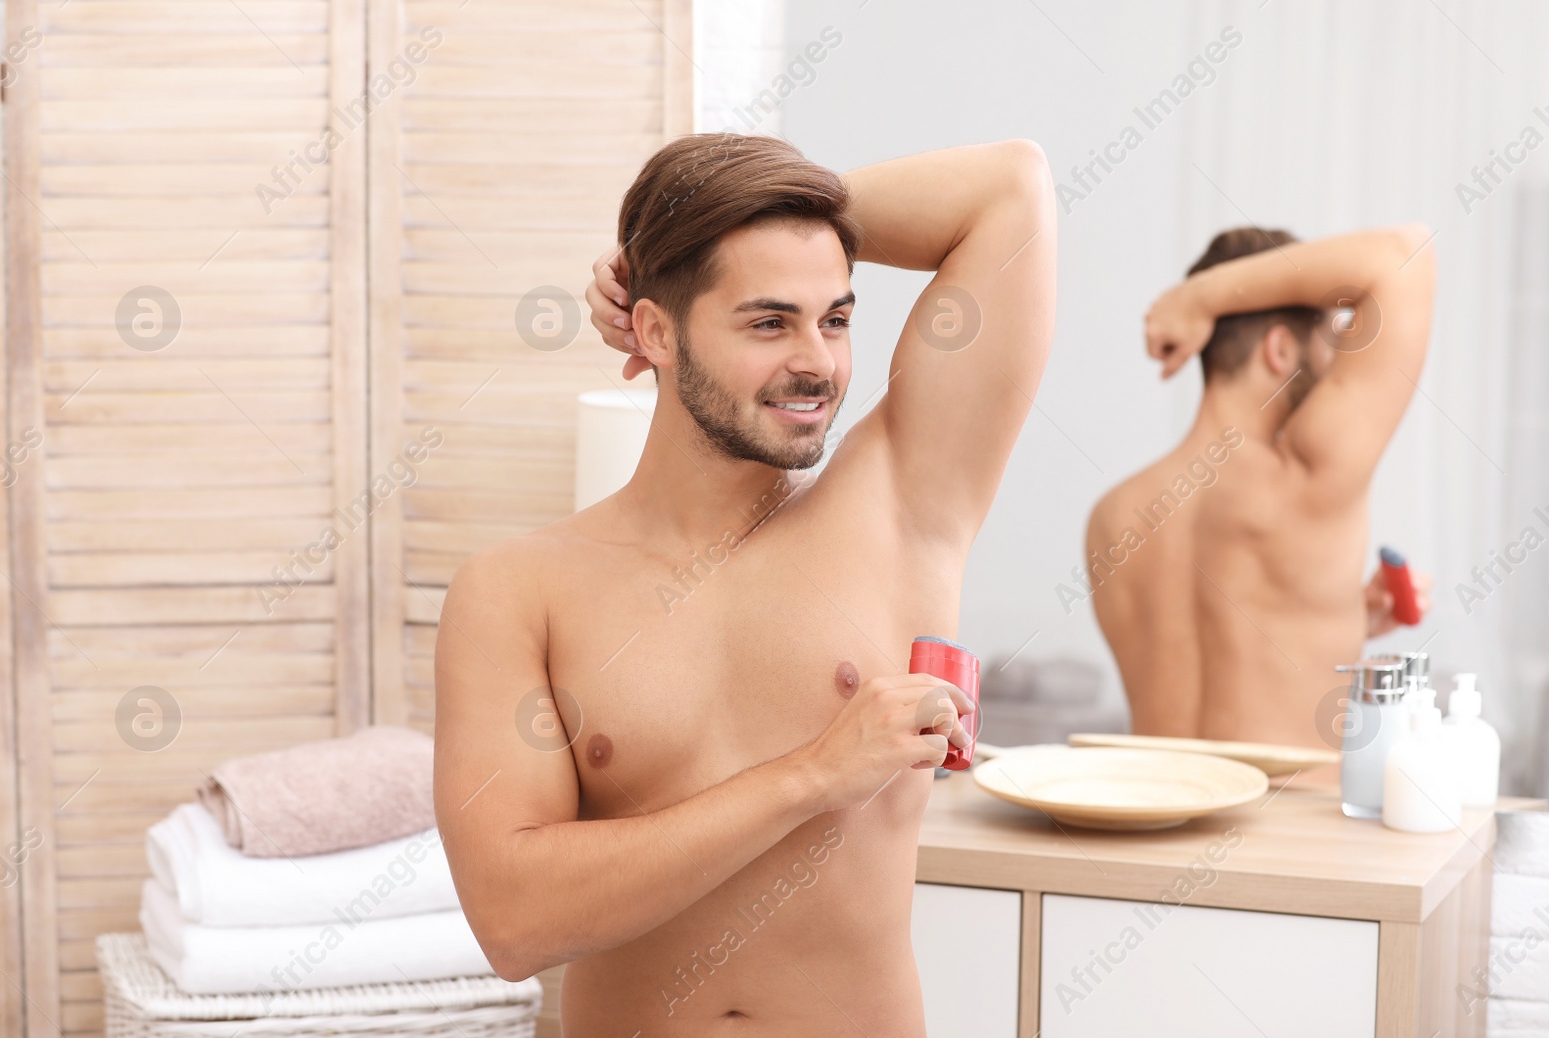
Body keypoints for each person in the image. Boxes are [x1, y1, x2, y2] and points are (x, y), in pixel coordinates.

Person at [432, 133, 1054, 1035]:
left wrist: (725, 225)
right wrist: (811, 777)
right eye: (770, 322)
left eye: (835, 319)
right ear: (654, 331)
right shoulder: (517, 592)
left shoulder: (903, 500)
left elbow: (1013, 191)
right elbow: (515, 921)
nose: (818, 363)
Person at [1087, 226, 1435, 749]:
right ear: (1279, 349)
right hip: (1290, 826)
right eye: (1330, 341)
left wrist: (1342, 615)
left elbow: (1214, 656)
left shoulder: (1113, 516)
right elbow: (1405, 256)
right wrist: (1198, 298)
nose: (1337, 359)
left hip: (1152, 817)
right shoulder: (1307, 475)